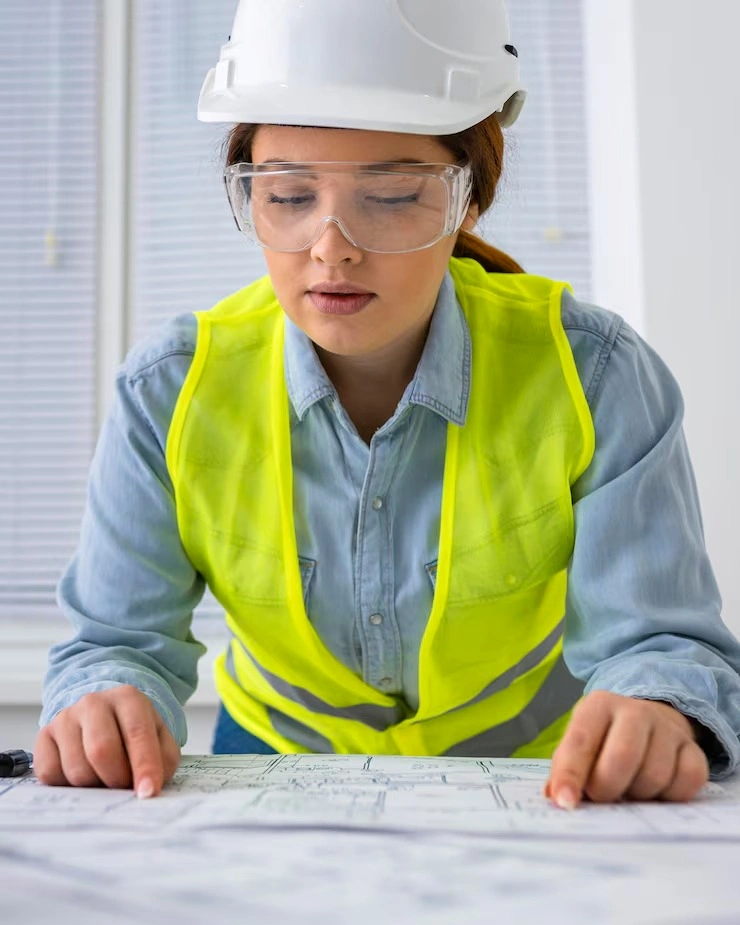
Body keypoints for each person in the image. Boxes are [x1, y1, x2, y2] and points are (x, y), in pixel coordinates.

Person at [37, 0, 740, 809]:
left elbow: (659, 645)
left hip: (543, 783)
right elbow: (114, 646)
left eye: (396, 195)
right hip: (273, 765)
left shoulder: (598, 378)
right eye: (289, 197)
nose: (331, 246)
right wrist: (103, 697)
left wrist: (657, 708)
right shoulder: (167, 392)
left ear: (468, 199)